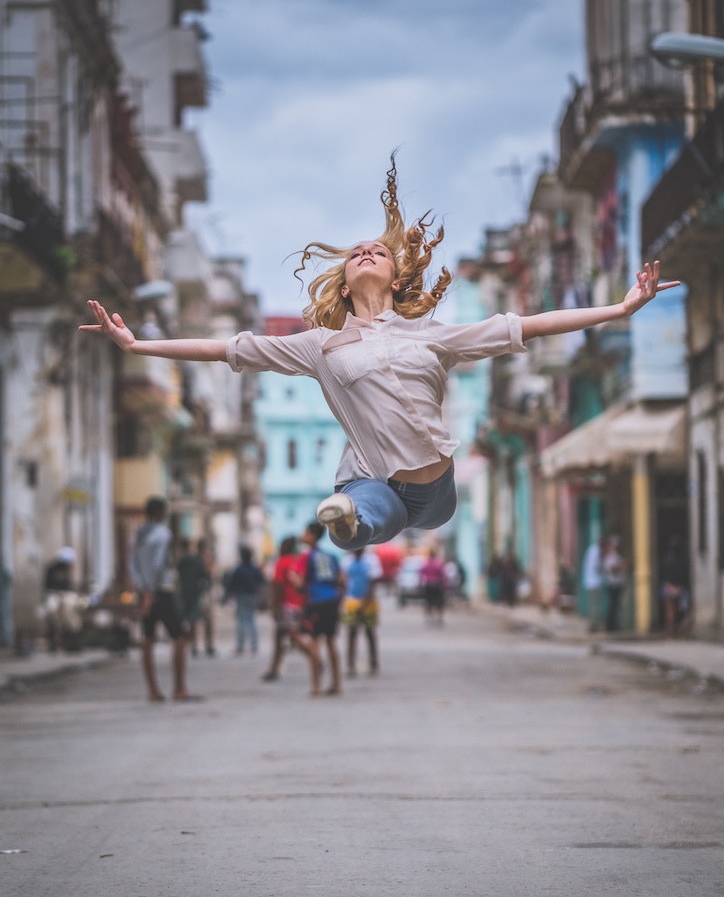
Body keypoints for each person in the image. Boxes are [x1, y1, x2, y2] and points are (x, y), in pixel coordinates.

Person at [80, 157, 679, 552]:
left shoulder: (434, 336)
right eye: (357, 252)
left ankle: (352, 516)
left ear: (395, 279)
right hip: (377, 482)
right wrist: (138, 344)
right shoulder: (319, 346)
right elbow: (225, 349)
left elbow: (531, 324)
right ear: (343, 283)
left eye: (379, 251)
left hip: (435, 490)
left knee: (405, 508)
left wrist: (619, 309)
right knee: (358, 509)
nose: (368, 249)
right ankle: (345, 521)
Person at [128, 496, 196, 702]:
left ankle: (153, 690)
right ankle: (179, 687)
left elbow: (132, 565)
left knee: (147, 640)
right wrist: (152, 591)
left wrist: (142, 589)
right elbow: (158, 564)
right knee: (180, 637)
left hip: (144, 591)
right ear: (160, 513)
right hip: (161, 591)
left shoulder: (138, 534)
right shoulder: (162, 533)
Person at [299, 521, 343, 696]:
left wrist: (298, 586)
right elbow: (341, 580)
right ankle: (336, 685)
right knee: (331, 641)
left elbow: (300, 583)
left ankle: (316, 685)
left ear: (312, 535)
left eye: (306, 532)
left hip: (316, 601)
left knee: (315, 642)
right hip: (332, 599)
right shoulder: (331, 556)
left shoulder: (306, 556)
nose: (303, 535)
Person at [263, 536, 307, 681]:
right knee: (280, 636)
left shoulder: (281, 563)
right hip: (297, 603)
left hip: (287, 605)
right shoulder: (296, 562)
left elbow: (278, 586)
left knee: (293, 635)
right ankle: (273, 668)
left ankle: (316, 659)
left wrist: (276, 606)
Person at [342, 547, 383, 676]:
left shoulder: (371, 560)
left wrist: (364, 602)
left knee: (369, 632)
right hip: (351, 600)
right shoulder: (347, 560)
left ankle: (373, 663)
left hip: (369, 602)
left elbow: (374, 583)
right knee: (352, 632)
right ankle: (350, 665)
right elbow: (343, 581)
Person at [223, 546, 266, 655]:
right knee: (252, 620)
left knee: (241, 621)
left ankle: (240, 646)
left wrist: (228, 595)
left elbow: (231, 582)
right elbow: (261, 580)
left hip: (242, 596)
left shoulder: (239, 569)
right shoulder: (254, 568)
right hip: (252, 596)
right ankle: (254, 645)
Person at [176, 539, 212, 656]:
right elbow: (205, 576)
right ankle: (208, 645)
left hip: (187, 594)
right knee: (206, 619)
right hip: (198, 594)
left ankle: (194, 645)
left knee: (192, 620)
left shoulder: (181, 561)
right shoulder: (198, 561)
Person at [42, 546, 81, 653]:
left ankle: (73, 638)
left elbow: (70, 585)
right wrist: (56, 591)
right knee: (52, 610)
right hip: (54, 593)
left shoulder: (68, 569)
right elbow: (47, 585)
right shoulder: (51, 569)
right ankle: (54, 638)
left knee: (69, 611)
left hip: (66, 593)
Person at [660, 535, 690, 638]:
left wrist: (670, 586)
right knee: (680, 611)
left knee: (670, 612)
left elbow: (663, 575)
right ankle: (676, 633)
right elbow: (685, 575)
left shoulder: (667, 559)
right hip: (679, 588)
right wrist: (678, 587)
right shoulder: (683, 560)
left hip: (668, 587)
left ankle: (671, 632)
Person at [602, 535, 627, 633]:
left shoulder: (616, 556)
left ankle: (614, 625)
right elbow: (612, 570)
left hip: (617, 584)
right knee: (612, 606)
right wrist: (622, 565)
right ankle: (610, 626)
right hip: (613, 584)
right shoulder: (610, 557)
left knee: (615, 606)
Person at [582, 536, 606, 631]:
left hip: (590, 582)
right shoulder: (596, 552)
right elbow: (597, 566)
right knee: (594, 607)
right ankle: (593, 627)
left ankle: (593, 626)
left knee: (593, 606)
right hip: (594, 582)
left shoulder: (591, 550)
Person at [419, 549, 448, 626]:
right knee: (439, 603)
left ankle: (430, 619)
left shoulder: (426, 564)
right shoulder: (438, 564)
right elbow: (442, 575)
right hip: (437, 585)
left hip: (428, 585)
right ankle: (439, 618)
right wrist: (445, 585)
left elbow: (421, 574)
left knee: (429, 603)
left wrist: (421, 584)